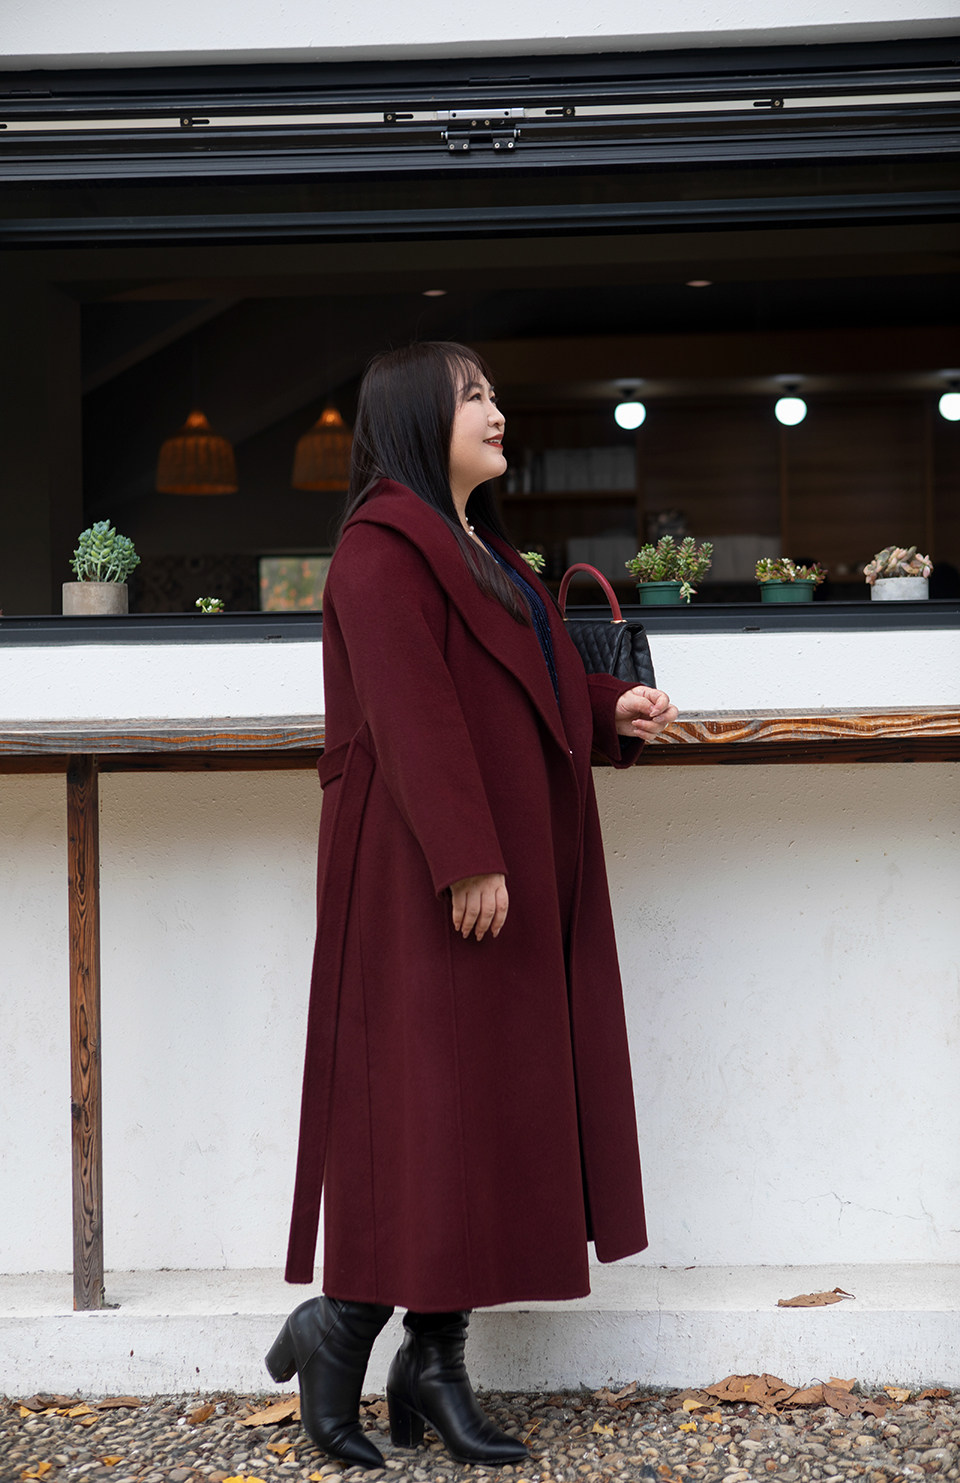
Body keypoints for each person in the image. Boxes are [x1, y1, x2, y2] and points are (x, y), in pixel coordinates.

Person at [266, 342, 678, 1469]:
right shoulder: (380, 549)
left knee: (477, 1111)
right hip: (420, 875)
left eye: (493, 392)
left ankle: (433, 1363)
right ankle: (343, 1327)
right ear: (416, 419)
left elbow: (514, 680)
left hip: (494, 864)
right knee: (424, 1106)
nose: (498, 411)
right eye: (473, 397)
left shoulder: (481, 547)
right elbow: (411, 709)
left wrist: (606, 704)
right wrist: (464, 857)